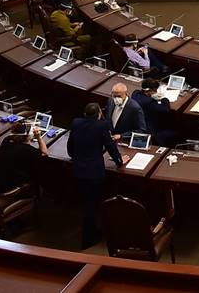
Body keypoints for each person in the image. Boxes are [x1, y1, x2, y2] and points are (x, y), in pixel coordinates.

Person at [68, 103, 128, 248]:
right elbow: (110, 146)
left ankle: (90, 231)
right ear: (99, 114)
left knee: (86, 202)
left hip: (78, 169)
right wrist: (120, 161)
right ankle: (88, 238)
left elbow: (71, 146)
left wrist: (74, 157)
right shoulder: (102, 126)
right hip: (93, 172)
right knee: (91, 204)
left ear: (84, 113)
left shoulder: (76, 123)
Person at [0, 125, 48, 194]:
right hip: (14, 186)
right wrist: (39, 137)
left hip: (0, 181)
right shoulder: (26, 150)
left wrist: (27, 141)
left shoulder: (6, 139)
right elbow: (44, 153)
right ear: (27, 137)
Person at [132, 79, 178, 147]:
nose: (156, 92)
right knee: (176, 131)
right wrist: (164, 99)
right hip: (149, 130)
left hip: (135, 127)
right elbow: (166, 110)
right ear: (148, 90)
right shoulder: (150, 102)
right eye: (155, 90)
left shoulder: (135, 93)